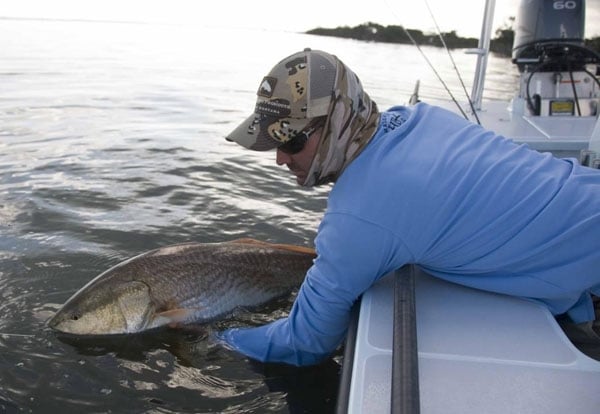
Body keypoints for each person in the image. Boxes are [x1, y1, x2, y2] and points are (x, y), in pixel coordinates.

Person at [220, 48, 600, 366]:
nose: (280, 159)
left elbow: (304, 343)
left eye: (290, 140)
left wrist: (222, 336)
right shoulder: (417, 118)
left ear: (335, 122)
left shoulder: (358, 217)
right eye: (273, 143)